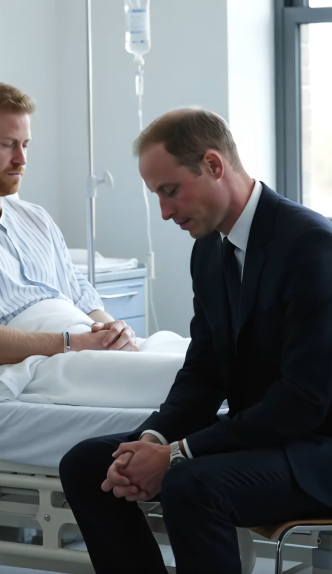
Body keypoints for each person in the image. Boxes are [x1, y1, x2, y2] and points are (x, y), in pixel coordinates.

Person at [59, 108, 332, 574]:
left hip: (316, 450)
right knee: (87, 464)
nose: (165, 212)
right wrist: (151, 439)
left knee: (191, 484)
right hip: (263, 439)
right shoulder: (208, 252)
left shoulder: (312, 246)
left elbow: (303, 402)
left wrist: (177, 454)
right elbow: (203, 373)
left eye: (170, 191)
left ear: (213, 164)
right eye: (157, 196)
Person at [0, 81, 137, 376]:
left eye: (25, 144)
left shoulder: (37, 219)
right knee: (182, 378)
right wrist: (72, 343)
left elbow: (81, 297)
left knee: (188, 360)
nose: (22, 159)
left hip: (86, 345)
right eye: (8, 144)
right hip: (35, 366)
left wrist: (114, 331)